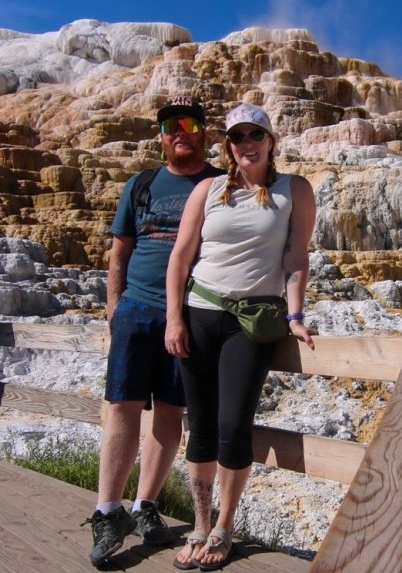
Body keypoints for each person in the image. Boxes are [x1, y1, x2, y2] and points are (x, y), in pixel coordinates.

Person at [166, 102, 316, 570]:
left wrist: (295, 315)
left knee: (234, 425)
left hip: (251, 321)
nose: (246, 144)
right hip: (200, 313)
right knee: (201, 424)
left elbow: (296, 256)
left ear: (271, 141)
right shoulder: (209, 189)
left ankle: (224, 527)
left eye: (255, 135)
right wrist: (174, 318)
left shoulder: (295, 189)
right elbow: (181, 256)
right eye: (237, 136)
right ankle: (198, 524)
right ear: (227, 145)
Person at [88, 96, 224, 567]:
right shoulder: (141, 183)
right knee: (122, 405)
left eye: (189, 123)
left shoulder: (220, 184)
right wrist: (114, 306)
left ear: (205, 132)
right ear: (161, 137)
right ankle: (108, 510)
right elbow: (119, 251)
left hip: (192, 313)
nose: (180, 131)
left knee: (170, 409)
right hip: (138, 308)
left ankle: (145, 505)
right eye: (170, 126)